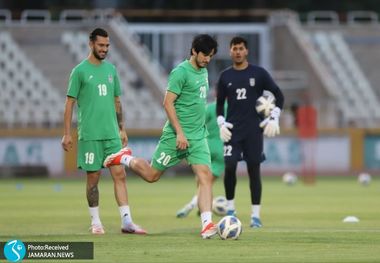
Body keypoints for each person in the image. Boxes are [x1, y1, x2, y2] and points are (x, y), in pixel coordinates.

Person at [103, 34, 219, 239]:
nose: (207, 60)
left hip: (198, 136)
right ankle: (124, 158)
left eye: (210, 56)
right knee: (151, 176)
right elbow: (167, 103)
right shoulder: (181, 72)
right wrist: (180, 133)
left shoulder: (204, 71)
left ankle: (207, 224)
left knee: (205, 176)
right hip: (176, 136)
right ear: (194, 51)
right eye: (205, 56)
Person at [61, 28, 146, 235]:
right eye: (101, 45)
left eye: (107, 46)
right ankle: (96, 222)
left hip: (111, 134)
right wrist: (67, 133)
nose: (104, 49)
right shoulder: (79, 71)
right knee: (93, 178)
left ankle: (127, 221)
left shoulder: (111, 70)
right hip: (90, 134)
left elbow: (117, 101)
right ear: (91, 44)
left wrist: (122, 128)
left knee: (120, 174)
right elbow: (69, 103)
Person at [216, 36, 284, 228]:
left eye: (241, 48)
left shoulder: (259, 73)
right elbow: (220, 104)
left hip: (254, 130)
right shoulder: (225, 76)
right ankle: (230, 210)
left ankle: (255, 215)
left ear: (246, 51)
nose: (237, 52)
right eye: (234, 48)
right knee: (229, 167)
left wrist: (274, 116)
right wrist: (221, 122)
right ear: (230, 51)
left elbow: (278, 95)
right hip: (233, 131)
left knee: (254, 169)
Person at [175, 100, 225, 218]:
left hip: (207, 146)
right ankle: (193, 205)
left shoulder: (211, 107)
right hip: (223, 149)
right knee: (207, 183)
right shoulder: (234, 107)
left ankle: (200, 206)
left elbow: (198, 122)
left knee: (202, 180)